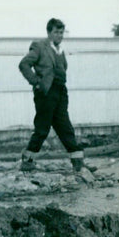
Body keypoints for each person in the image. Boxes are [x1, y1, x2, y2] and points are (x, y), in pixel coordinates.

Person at [18, 18, 87, 172]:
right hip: (46, 93)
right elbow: (24, 64)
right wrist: (36, 82)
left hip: (60, 92)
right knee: (42, 128)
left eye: (61, 32)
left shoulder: (60, 50)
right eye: (56, 32)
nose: (59, 35)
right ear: (49, 32)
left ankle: (78, 164)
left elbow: (63, 69)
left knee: (65, 126)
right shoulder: (39, 46)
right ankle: (27, 161)